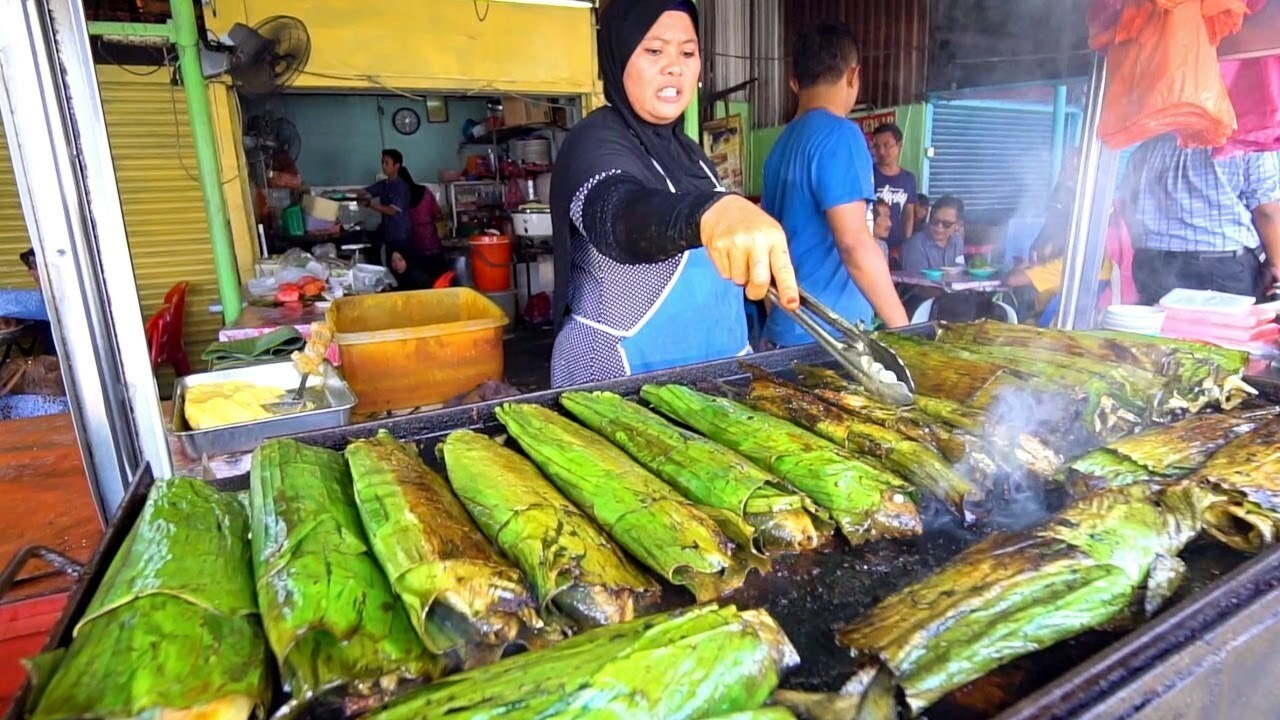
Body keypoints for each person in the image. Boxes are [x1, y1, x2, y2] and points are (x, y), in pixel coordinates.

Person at [548, 0, 799, 387]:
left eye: (687, 52)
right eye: (653, 50)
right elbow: (619, 217)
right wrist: (709, 212)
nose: (674, 66)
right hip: (617, 380)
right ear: (618, 55)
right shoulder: (594, 140)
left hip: (713, 377)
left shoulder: (692, 154)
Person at [759, 22, 906, 348]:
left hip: (787, 327)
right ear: (854, 75)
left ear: (795, 82)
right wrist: (906, 334)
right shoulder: (841, 136)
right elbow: (854, 244)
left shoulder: (779, 148)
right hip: (830, 339)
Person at [1122, 134, 1280, 303]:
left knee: (1157, 328)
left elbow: (1128, 203)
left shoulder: (1150, 143)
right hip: (1223, 268)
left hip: (1154, 264)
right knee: (1222, 329)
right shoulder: (1251, 139)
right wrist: (1276, 263)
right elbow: (1266, 211)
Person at [871, 123, 918, 251]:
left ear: (900, 145)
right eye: (876, 146)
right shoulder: (867, 175)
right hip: (872, 244)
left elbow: (908, 214)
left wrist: (906, 245)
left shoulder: (909, 179)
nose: (881, 151)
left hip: (897, 245)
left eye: (887, 145)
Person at [359, 149, 413, 255]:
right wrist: (339, 193)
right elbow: (363, 191)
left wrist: (370, 204)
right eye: (382, 162)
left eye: (386, 163)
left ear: (396, 166)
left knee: (400, 266)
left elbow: (392, 211)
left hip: (400, 235)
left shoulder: (400, 186)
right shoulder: (384, 184)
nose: (383, 166)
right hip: (388, 233)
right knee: (390, 263)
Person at [901, 195, 966, 274]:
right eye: (935, 221)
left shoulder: (957, 241)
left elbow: (961, 273)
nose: (939, 226)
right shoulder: (916, 245)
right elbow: (916, 282)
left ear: (958, 225)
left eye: (946, 224)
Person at [397, 166, 444, 257]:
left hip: (412, 245)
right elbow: (438, 214)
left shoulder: (399, 199)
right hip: (431, 242)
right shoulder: (425, 192)